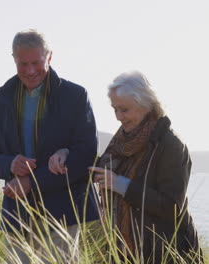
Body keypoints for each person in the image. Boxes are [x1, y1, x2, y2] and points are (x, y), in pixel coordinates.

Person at [56, 71, 203, 263]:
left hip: (163, 255)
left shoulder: (171, 145)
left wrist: (121, 185)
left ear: (146, 105)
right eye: (115, 109)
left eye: (124, 110)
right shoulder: (122, 141)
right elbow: (99, 172)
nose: (118, 117)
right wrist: (67, 154)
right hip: (123, 252)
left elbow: (172, 207)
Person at [0, 29, 99, 263]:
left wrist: (31, 182)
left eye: (36, 62)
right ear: (13, 59)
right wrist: (9, 164)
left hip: (61, 213)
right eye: (23, 63)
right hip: (17, 214)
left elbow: (86, 154)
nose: (30, 70)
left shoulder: (75, 95)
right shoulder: (3, 100)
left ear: (50, 57)